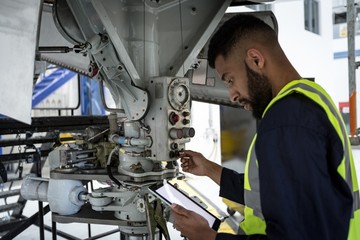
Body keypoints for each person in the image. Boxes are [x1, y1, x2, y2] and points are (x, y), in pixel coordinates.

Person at [171, 13, 360, 240]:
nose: (232, 95)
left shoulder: (286, 121)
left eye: (230, 80)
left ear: (256, 60)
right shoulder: (309, 97)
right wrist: (210, 169)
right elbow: (275, 192)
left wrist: (209, 237)